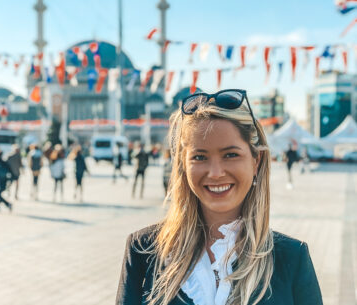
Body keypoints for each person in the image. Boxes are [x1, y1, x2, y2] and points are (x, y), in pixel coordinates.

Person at [116, 89, 323, 305]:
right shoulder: (142, 250)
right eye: (200, 157)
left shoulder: (291, 258)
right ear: (183, 165)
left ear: (256, 161)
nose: (215, 173)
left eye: (231, 155)